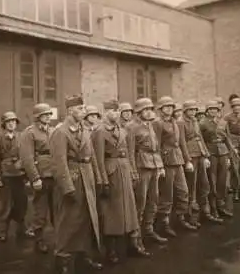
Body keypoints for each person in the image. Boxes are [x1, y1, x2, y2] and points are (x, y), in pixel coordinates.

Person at [92, 99, 150, 263]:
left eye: (117, 111)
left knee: (129, 210)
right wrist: (103, 180)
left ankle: (133, 245)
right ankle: (111, 250)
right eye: (112, 111)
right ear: (105, 112)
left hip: (124, 170)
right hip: (111, 173)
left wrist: (133, 171)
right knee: (112, 212)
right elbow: (99, 159)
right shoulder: (99, 132)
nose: (116, 114)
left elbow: (130, 153)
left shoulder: (123, 130)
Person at [50, 95, 103, 273]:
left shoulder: (85, 130)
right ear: (71, 110)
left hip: (86, 177)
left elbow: (92, 156)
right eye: (80, 109)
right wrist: (67, 187)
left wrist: (98, 178)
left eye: (83, 108)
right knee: (69, 220)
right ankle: (63, 260)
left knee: (87, 219)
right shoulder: (60, 132)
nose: (84, 111)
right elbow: (59, 162)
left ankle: (83, 257)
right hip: (72, 178)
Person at [0, 112, 41, 243]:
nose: (11, 123)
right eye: (8, 121)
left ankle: (21, 229)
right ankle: (2, 232)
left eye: (14, 121)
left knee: (21, 204)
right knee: (6, 205)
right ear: (4, 124)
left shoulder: (21, 136)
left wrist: (29, 175)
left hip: (20, 175)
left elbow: (27, 155)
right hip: (6, 177)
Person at [152, 96, 197, 237]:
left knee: (183, 191)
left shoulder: (177, 123)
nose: (169, 109)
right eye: (166, 107)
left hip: (178, 160)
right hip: (166, 162)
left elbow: (182, 142)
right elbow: (156, 146)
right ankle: (164, 223)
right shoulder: (158, 124)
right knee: (167, 194)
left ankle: (180, 218)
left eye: (171, 107)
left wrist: (187, 160)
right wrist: (160, 166)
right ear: (160, 109)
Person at [126, 97, 168, 247]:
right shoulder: (131, 127)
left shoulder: (151, 125)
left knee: (153, 200)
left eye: (151, 109)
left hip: (153, 165)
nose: (150, 112)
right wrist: (133, 172)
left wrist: (160, 166)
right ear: (139, 112)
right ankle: (135, 238)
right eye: (146, 110)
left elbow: (156, 148)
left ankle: (148, 230)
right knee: (140, 203)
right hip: (141, 167)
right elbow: (130, 152)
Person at [19, 103, 55, 253]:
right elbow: (27, 158)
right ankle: (39, 241)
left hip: (54, 175)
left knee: (57, 210)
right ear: (37, 117)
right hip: (41, 176)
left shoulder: (53, 131)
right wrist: (35, 178)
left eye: (48, 114)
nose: (47, 117)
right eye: (44, 114)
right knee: (40, 211)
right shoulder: (30, 133)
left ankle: (60, 241)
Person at [179, 100, 220, 226]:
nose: (193, 112)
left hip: (200, 154)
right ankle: (192, 217)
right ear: (185, 111)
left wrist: (206, 155)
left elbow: (200, 138)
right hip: (191, 156)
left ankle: (206, 213)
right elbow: (182, 142)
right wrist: (187, 160)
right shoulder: (181, 123)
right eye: (190, 110)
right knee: (192, 187)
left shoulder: (195, 121)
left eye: (194, 110)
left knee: (205, 184)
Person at [200, 100, 234, 219]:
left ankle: (221, 206)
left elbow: (227, 139)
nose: (213, 111)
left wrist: (229, 156)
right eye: (211, 109)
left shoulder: (223, 122)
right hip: (211, 152)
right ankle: (213, 209)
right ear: (207, 111)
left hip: (223, 152)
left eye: (215, 109)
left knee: (222, 181)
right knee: (212, 181)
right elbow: (201, 140)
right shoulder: (202, 123)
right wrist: (205, 155)